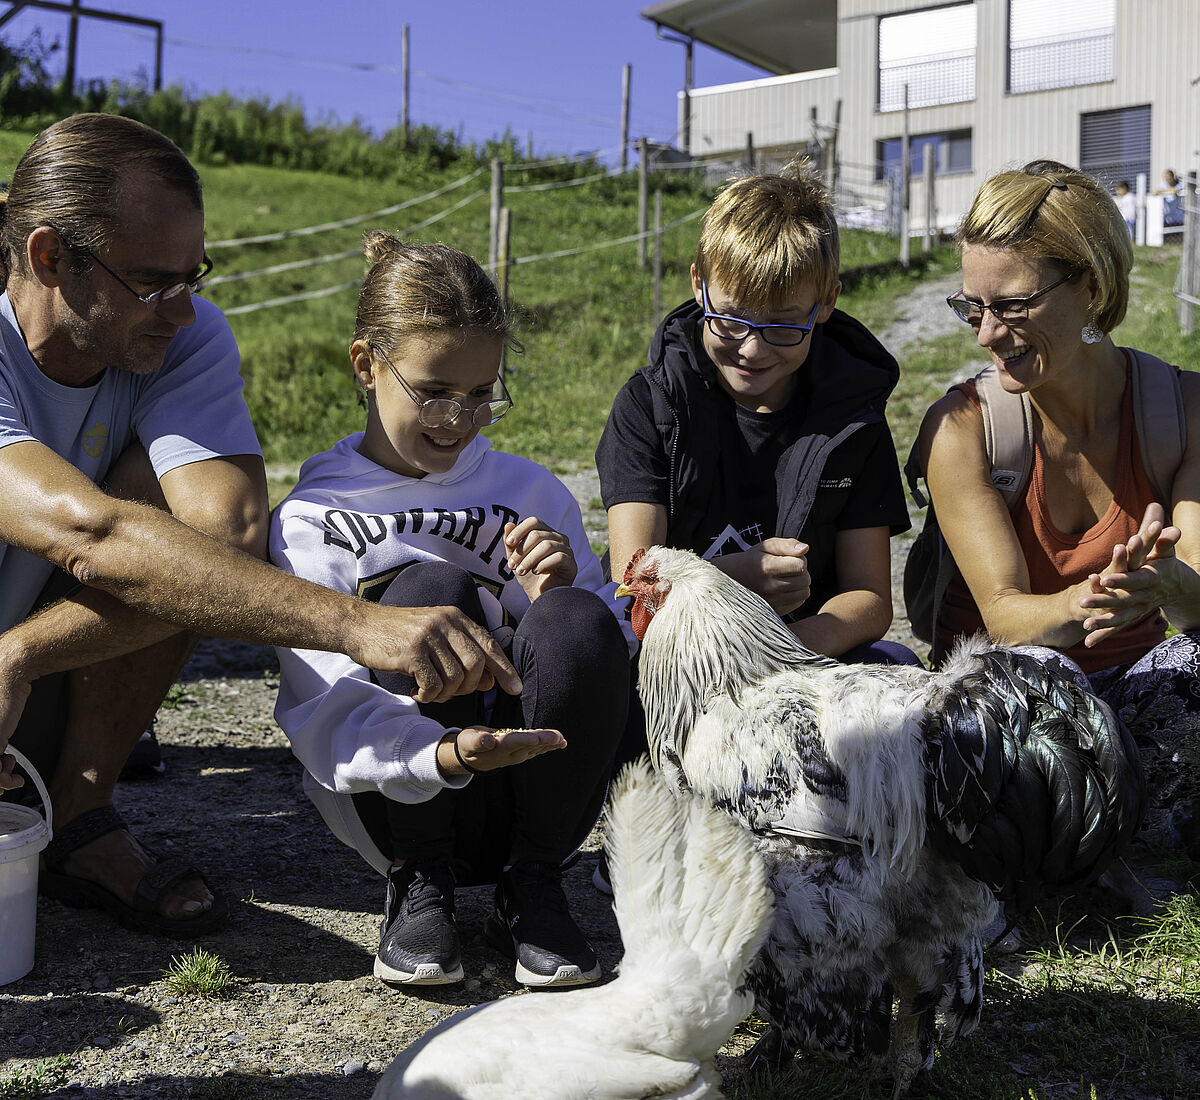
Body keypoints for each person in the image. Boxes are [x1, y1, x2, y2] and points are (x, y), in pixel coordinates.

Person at [0, 114, 519, 938]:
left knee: (179, 543)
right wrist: (355, 623)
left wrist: (20, 653)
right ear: (49, 257)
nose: (180, 310)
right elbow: (89, 534)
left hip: (21, 677)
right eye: (148, 281)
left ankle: (79, 816)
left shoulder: (183, 336)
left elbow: (226, 534)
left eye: (191, 275)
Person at [269, 235, 632, 990]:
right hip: (394, 794)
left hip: (531, 790)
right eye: (434, 390)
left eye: (480, 394)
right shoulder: (314, 515)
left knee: (578, 615)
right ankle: (418, 879)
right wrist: (441, 755)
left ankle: (533, 883)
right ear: (366, 366)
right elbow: (321, 696)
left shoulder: (530, 491)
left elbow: (608, 662)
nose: (458, 417)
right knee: (430, 591)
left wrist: (557, 596)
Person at [593, 165, 916, 820]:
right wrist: (727, 585)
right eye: (730, 319)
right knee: (594, 639)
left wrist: (780, 653)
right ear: (698, 284)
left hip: (802, 661)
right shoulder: (649, 405)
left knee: (896, 666)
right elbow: (633, 578)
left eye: (783, 326)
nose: (750, 347)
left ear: (825, 304)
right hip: (674, 668)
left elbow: (870, 601)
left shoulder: (853, 421)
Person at [916, 160, 1200, 863]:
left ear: (1093, 287)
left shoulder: (1185, 411)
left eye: (1012, 305)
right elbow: (1007, 617)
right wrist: (1092, 598)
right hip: (1010, 712)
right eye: (972, 308)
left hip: (1143, 693)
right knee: (1046, 672)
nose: (986, 333)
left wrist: (1170, 587)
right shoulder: (961, 430)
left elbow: (1196, 602)